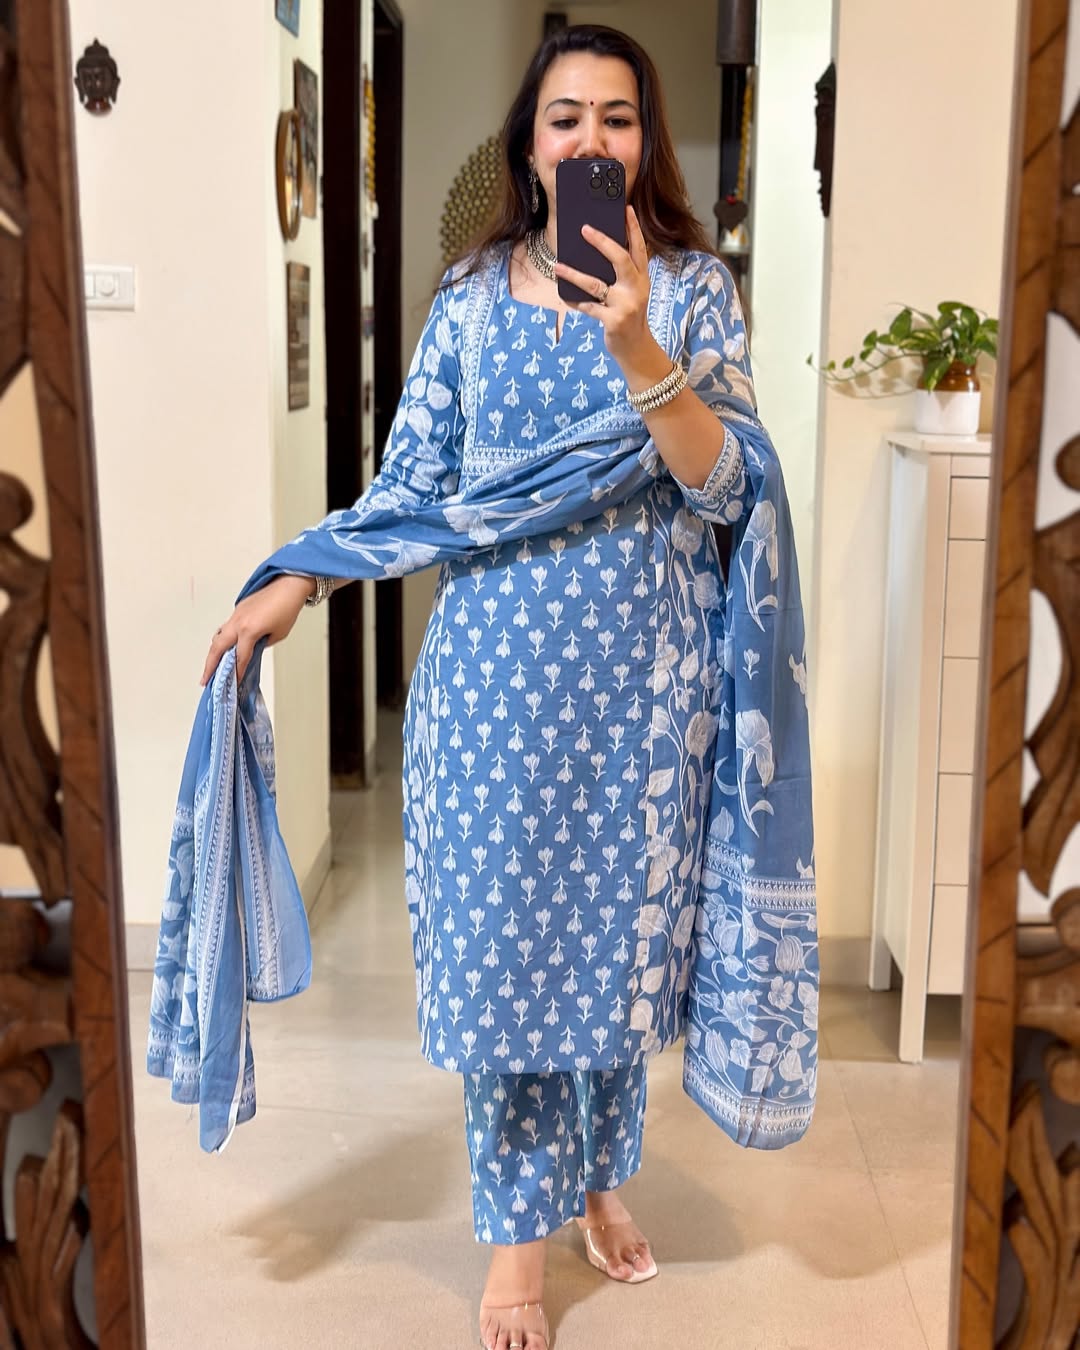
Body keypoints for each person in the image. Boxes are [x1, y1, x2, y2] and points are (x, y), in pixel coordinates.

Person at [199, 25, 816, 1350]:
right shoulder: (471, 300)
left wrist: (638, 343)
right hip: (490, 698)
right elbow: (412, 484)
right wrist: (301, 579)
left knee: (611, 964)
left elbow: (728, 488)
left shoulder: (693, 293)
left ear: (644, 141)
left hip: (646, 700)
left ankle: (595, 1179)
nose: (592, 139)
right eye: (565, 118)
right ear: (528, 148)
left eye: (617, 118)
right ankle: (514, 1237)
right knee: (504, 966)